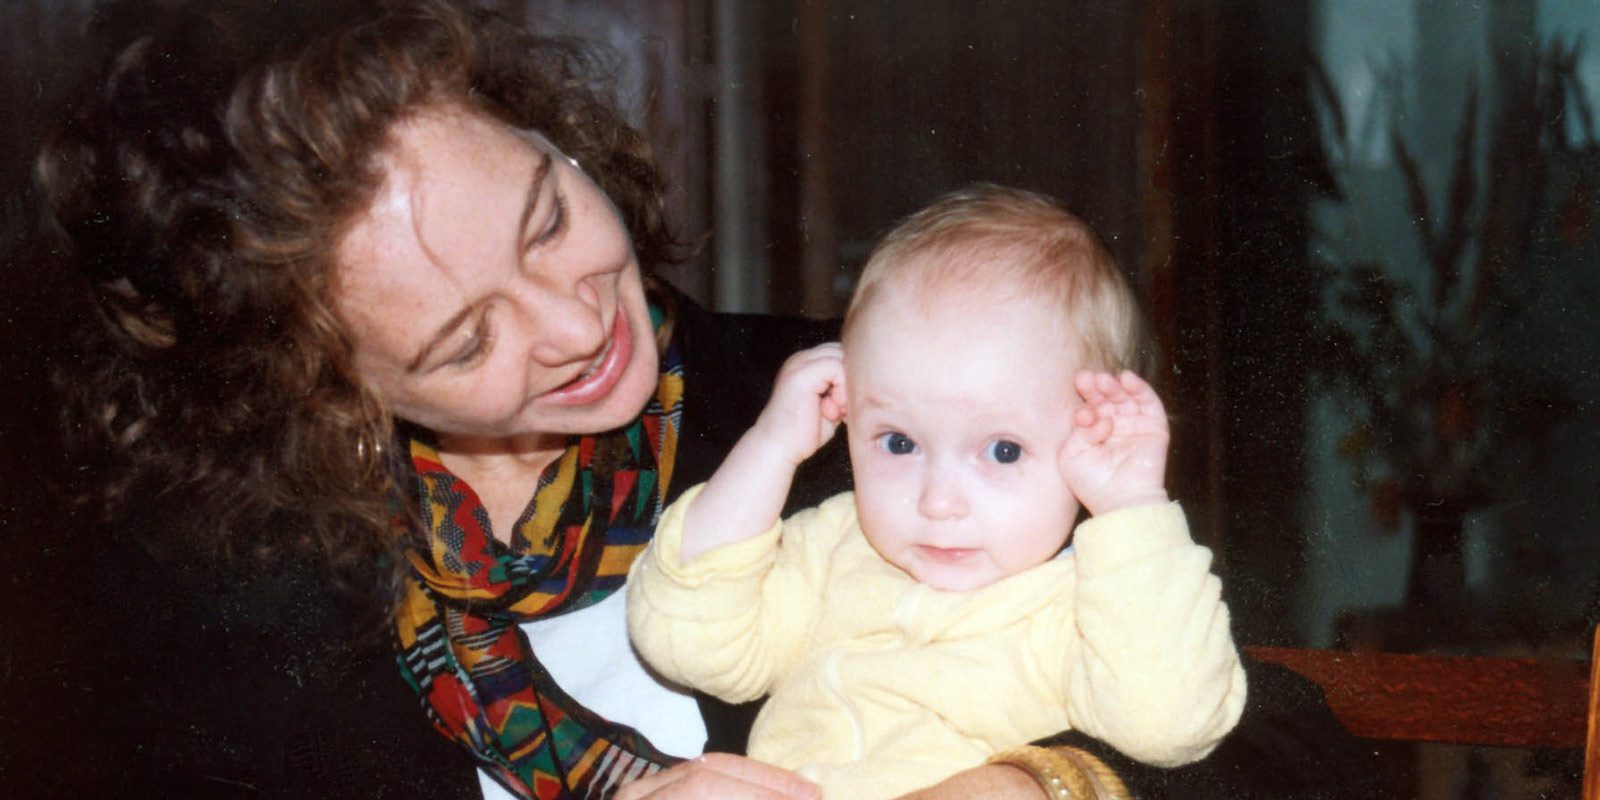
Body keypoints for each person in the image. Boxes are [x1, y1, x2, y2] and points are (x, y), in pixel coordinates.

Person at [20, 0, 1377, 798]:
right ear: (310, 384)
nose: (577, 321)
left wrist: (1039, 784)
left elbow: (1297, 750)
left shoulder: (861, 418)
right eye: (466, 336)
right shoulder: (225, 612)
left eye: (550, 216)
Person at [627, 186, 1247, 799]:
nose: (937, 502)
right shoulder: (834, 550)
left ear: (1092, 437)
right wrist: (769, 448)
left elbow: (1172, 723)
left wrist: (1131, 508)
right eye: (898, 442)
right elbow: (688, 643)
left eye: (1002, 450)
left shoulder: (1088, 606)